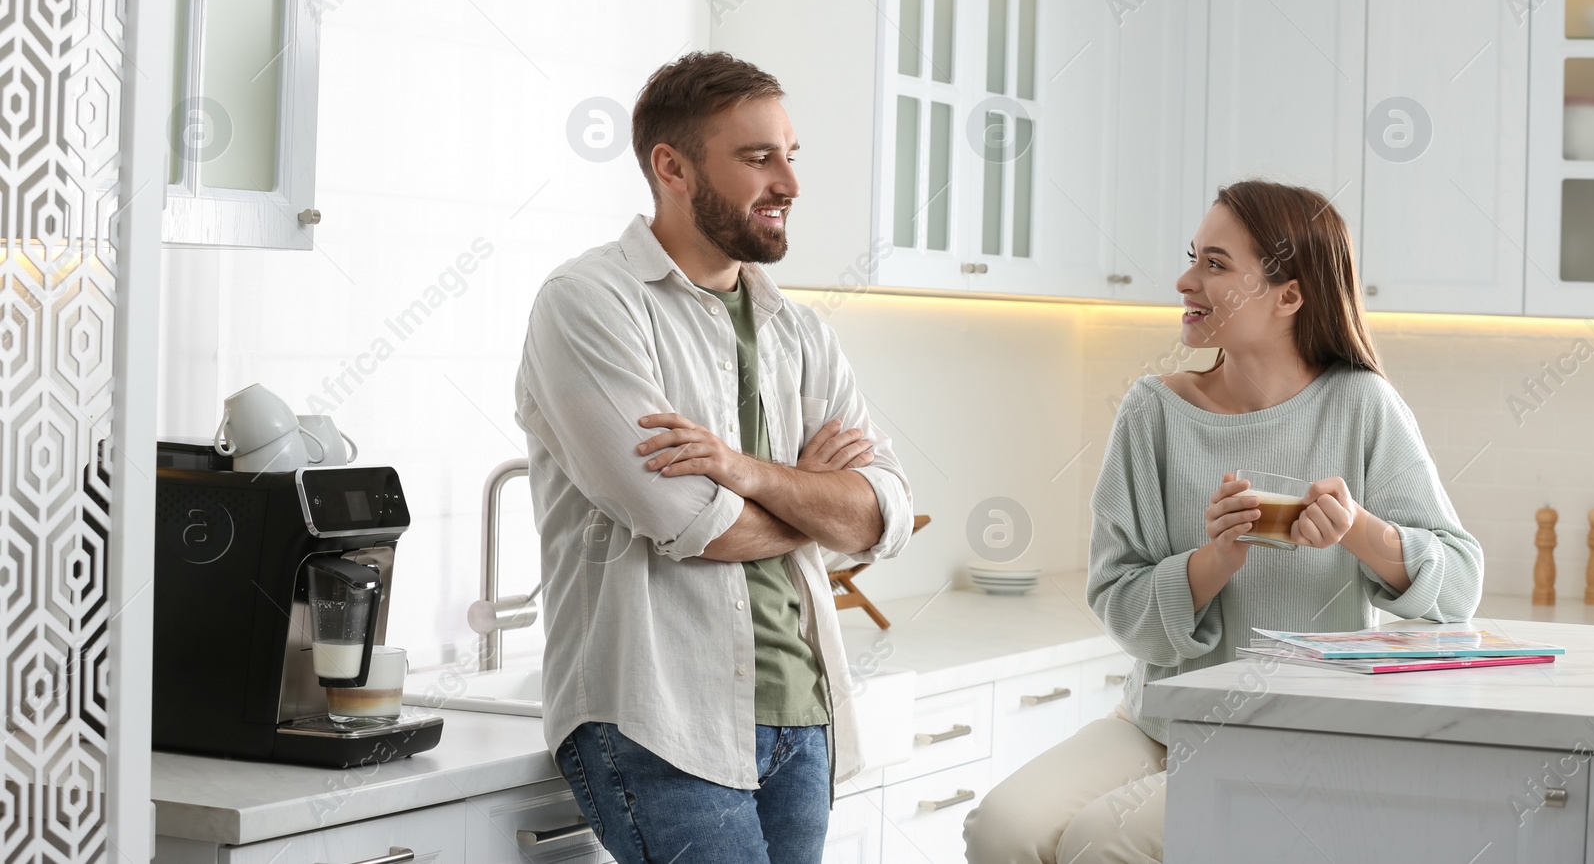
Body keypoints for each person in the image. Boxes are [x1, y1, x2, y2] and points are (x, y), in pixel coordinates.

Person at [963, 179, 1483, 864]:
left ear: (1289, 295)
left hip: (1299, 734)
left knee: (1103, 843)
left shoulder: (1362, 406)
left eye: (1215, 263)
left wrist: (1357, 527)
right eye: (1192, 257)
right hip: (1159, 719)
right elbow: (1116, 594)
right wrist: (1213, 561)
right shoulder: (1152, 412)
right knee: (1001, 829)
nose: (1185, 279)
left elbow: (1460, 587)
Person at [515, 51, 914, 864]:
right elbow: (691, 522)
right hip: (660, 719)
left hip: (802, 713)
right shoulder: (590, 304)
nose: (789, 183)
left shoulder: (800, 330)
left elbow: (884, 513)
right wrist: (812, 497)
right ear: (671, 166)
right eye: (757, 156)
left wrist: (745, 469)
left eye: (790, 155)